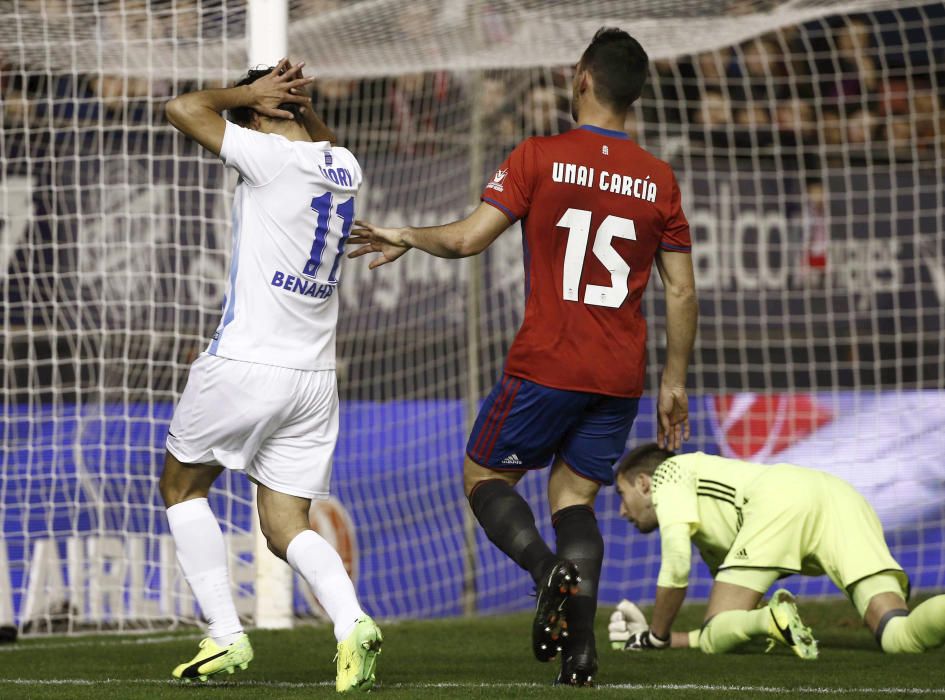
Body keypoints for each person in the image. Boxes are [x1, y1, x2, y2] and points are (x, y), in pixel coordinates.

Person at [347, 28, 698, 686]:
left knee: (483, 479)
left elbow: (468, 240)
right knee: (574, 501)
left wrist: (404, 234)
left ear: (583, 79)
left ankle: (546, 575)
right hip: (619, 377)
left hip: (547, 363)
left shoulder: (539, 155)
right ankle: (580, 654)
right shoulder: (658, 178)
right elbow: (681, 289)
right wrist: (672, 381)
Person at [161, 59, 382, 692]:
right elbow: (324, 140)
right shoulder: (344, 167)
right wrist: (295, 105)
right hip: (314, 378)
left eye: (247, 112)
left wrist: (249, 95)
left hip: (247, 363)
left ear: (260, 115)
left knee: (181, 488)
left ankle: (227, 635)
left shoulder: (268, 159)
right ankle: (351, 624)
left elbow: (181, 107)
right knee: (288, 527)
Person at [609, 443, 945, 657]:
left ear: (643, 483)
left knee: (718, 635)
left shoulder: (669, 472)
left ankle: (770, 621)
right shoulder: (709, 534)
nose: (623, 512)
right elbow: (733, 623)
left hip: (781, 500)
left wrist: (655, 636)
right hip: (841, 496)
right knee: (899, 637)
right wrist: (674, 640)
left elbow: (677, 564)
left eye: (622, 495)